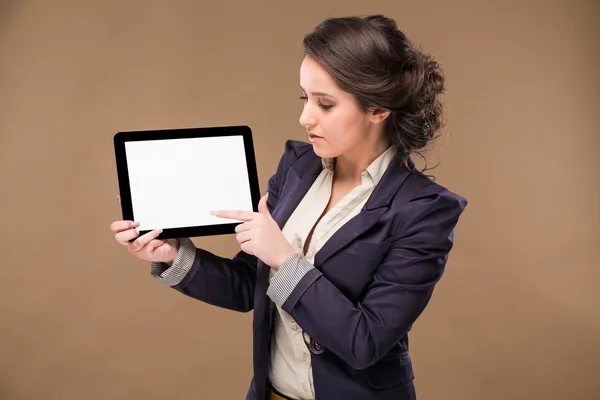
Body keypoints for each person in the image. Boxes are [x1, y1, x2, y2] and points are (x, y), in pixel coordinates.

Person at [110, 14, 467, 400]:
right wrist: (175, 254)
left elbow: (364, 341)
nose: (304, 118)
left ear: (378, 109)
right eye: (305, 98)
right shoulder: (297, 167)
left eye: (325, 104)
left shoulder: (424, 210)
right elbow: (252, 287)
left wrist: (284, 257)